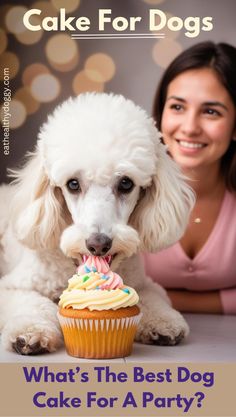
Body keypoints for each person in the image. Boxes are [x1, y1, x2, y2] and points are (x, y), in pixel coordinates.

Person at [143, 41, 236, 314]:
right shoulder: (125, 187)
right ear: (161, 114)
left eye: (211, 111)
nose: (190, 127)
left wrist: (153, 299)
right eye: (177, 107)